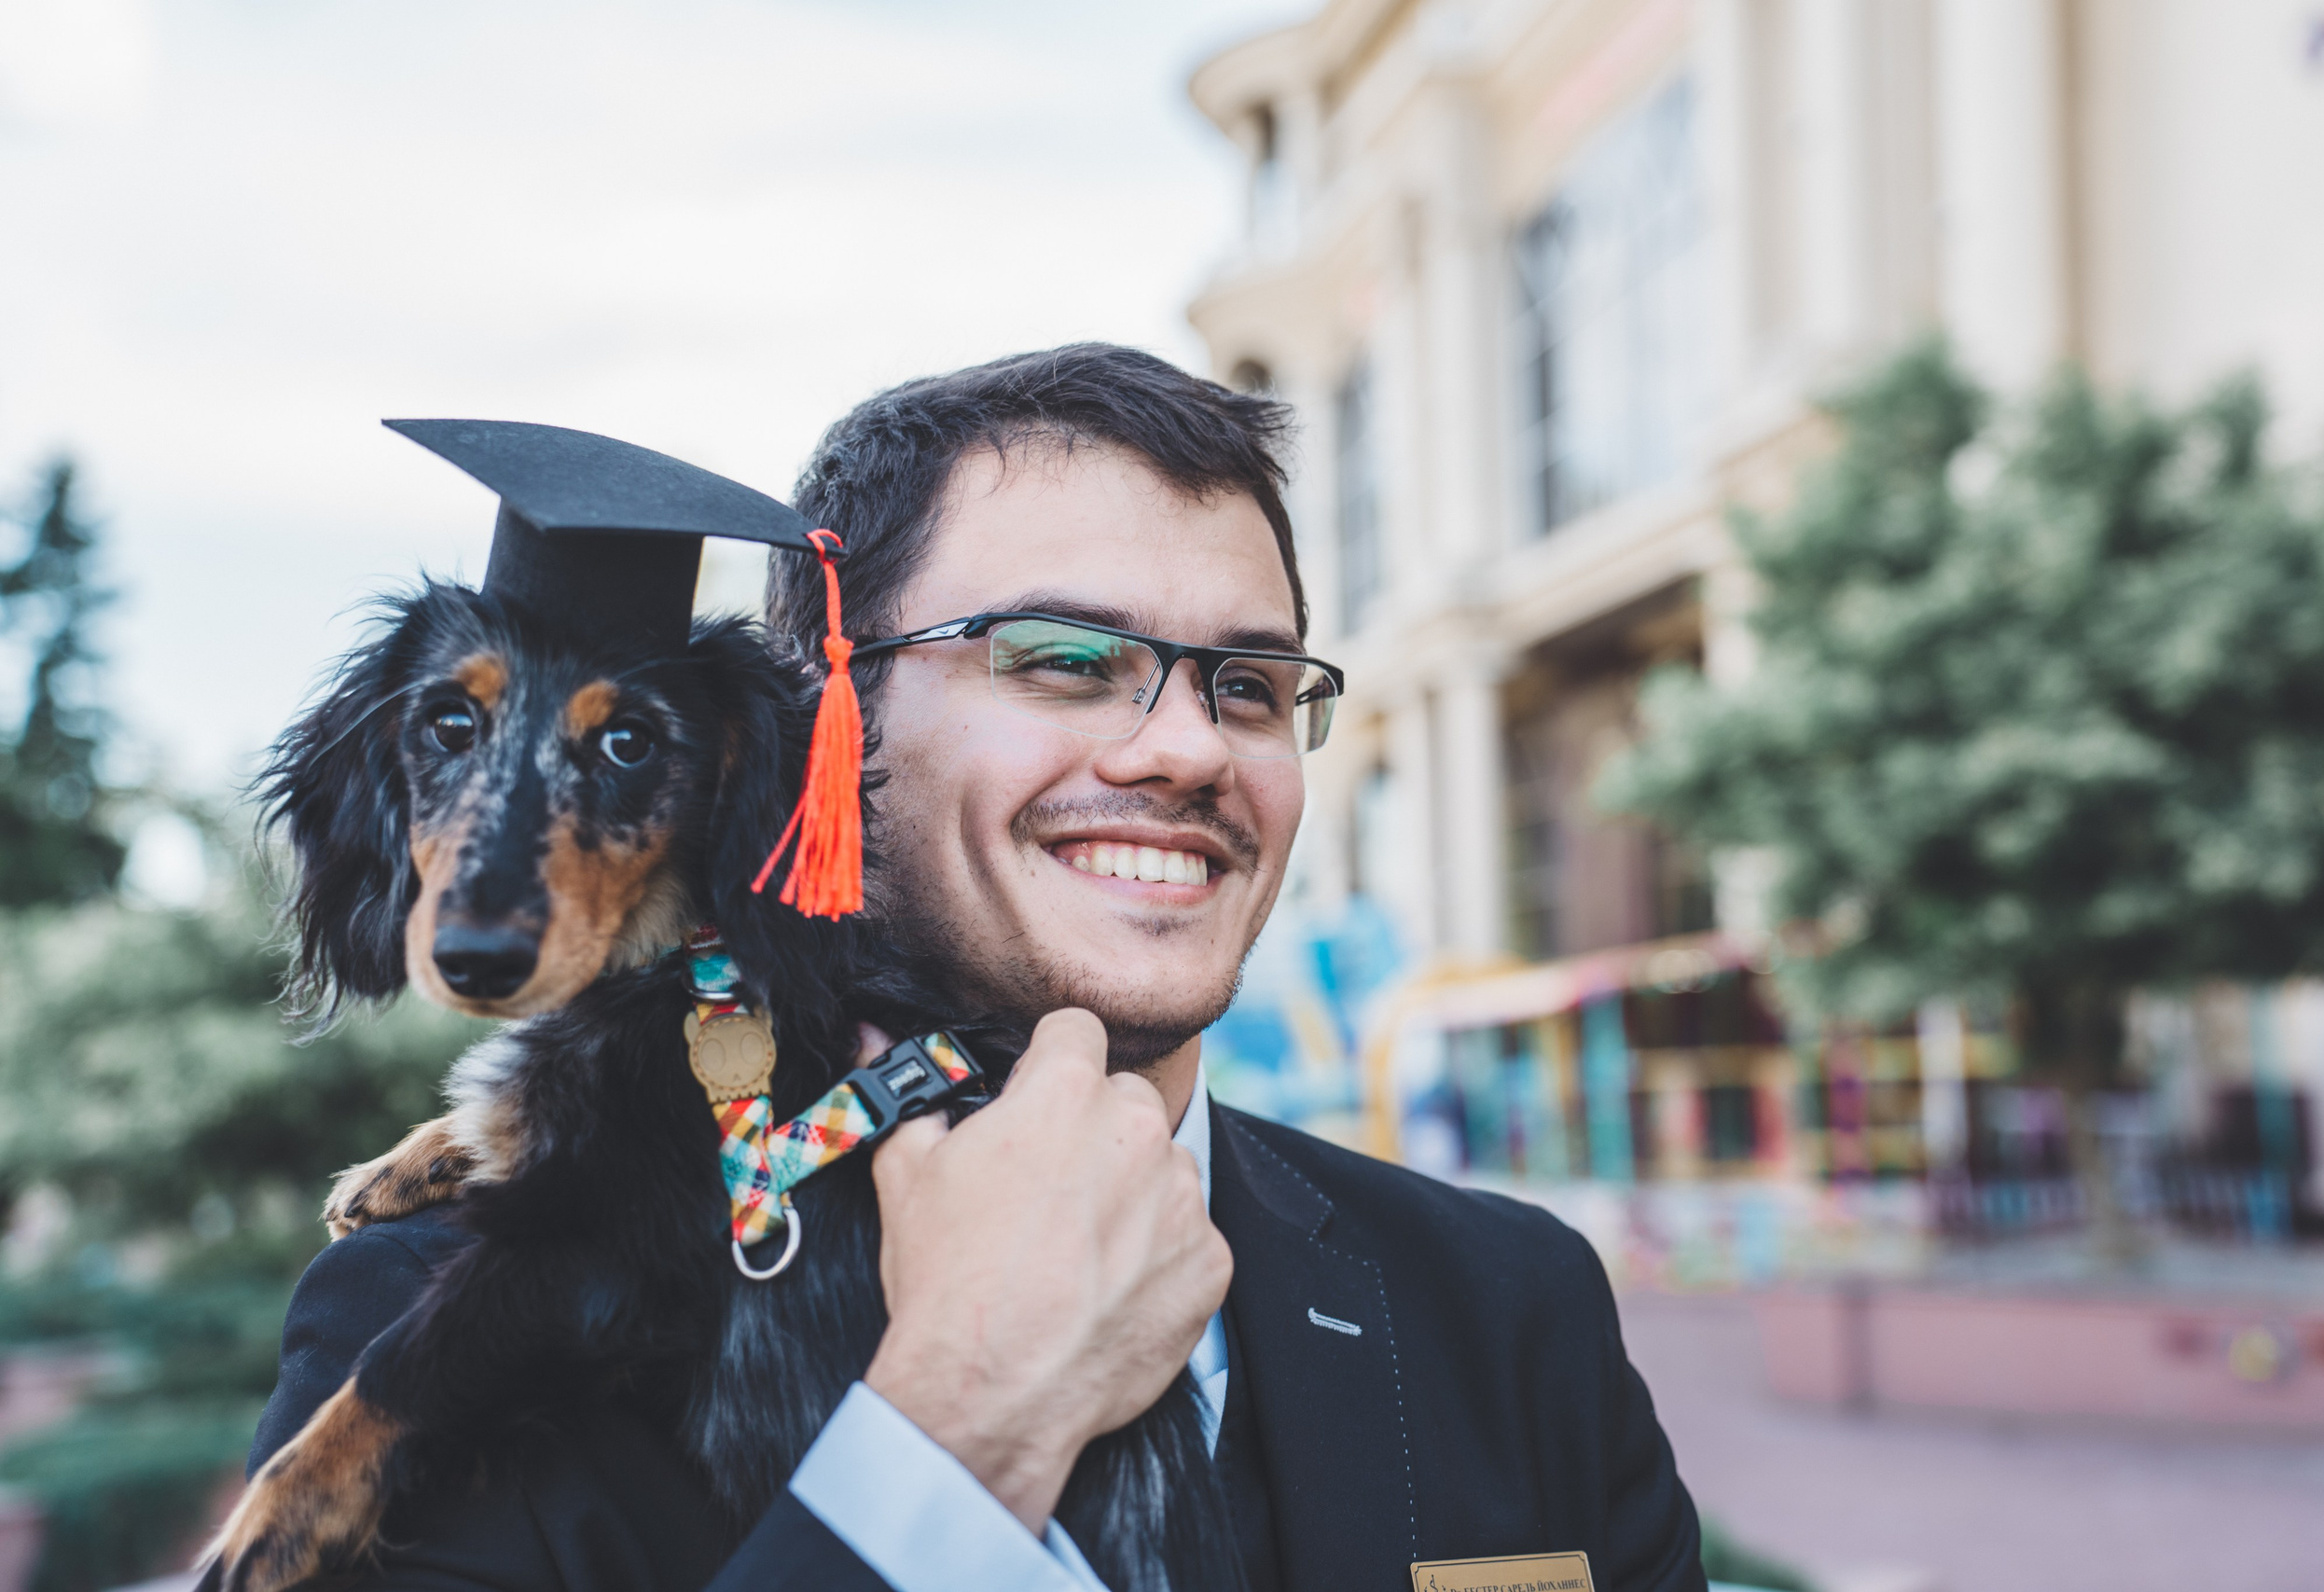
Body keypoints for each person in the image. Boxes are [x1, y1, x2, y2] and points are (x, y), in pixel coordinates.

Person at [250, 344, 1705, 1591]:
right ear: (827, 727)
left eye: (1249, 686)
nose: (1190, 748)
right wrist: (954, 1440)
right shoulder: (430, 1330)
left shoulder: (1512, 1306)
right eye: (1065, 658)